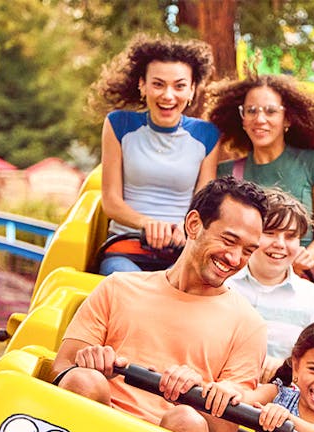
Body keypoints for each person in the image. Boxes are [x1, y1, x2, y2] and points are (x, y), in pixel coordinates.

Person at [53, 176, 269, 432]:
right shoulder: (117, 287)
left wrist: (195, 394)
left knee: (185, 420)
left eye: (247, 251)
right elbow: (61, 369)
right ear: (194, 225)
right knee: (83, 379)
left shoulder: (249, 326)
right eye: (228, 241)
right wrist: (91, 361)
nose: (235, 259)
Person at [90, 35, 219, 273]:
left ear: (192, 90)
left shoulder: (206, 135)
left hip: (181, 252)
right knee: (132, 289)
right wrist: (146, 223)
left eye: (179, 86)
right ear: (142, 85)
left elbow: (204, 203)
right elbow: (111, 200)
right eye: (158, 84)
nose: (168, 95)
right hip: (126, 246)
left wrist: (186, 227)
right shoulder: (119, 124)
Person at [204, 74, 314, 279]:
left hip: (295, 277)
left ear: (286, 118)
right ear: (242, 119)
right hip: (239, 280)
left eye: (271, 111)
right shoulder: (225, 173)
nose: (259, 119)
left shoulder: (313, 163)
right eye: (251, 111)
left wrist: (303, 259)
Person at [226, 189, 314, 382]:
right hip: (225, 387)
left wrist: (286, 366)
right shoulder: (226, 284)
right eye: (270, 233)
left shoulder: (311, 297)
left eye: (291, 236)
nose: (280, 244)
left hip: (281, 394)